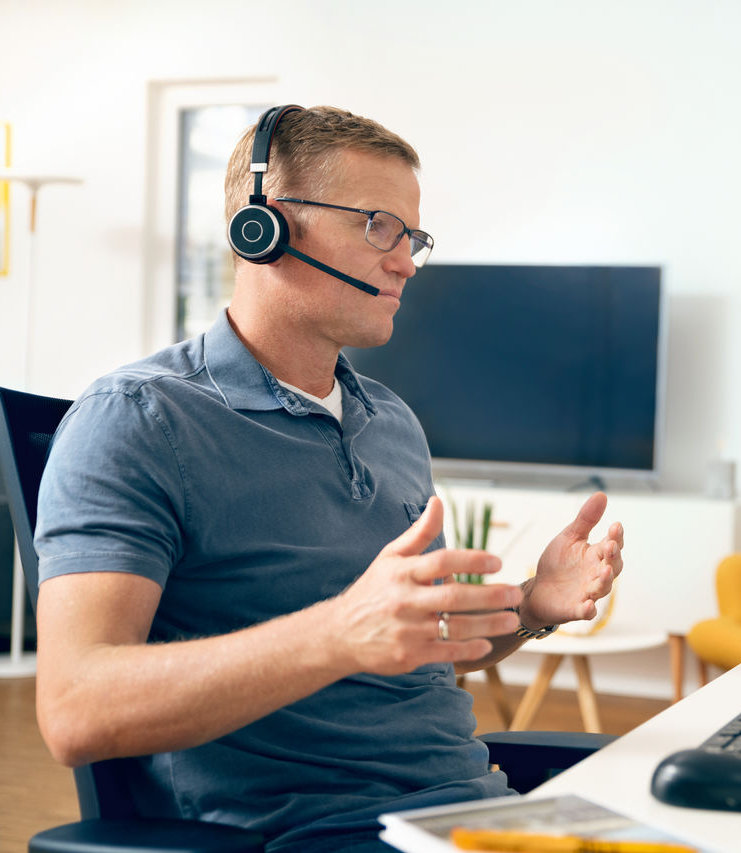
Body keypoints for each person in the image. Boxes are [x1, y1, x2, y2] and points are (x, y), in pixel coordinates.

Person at [33, 105, 624, 852]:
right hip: (318, 833)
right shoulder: (140, 419)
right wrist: (339, 632)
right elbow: (75, 707)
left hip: (475, 812)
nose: (406, 261)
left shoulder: (392, 422)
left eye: (413, 238)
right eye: (380, 226)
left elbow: (405, 649)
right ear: (266, 228)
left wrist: (532, 607)